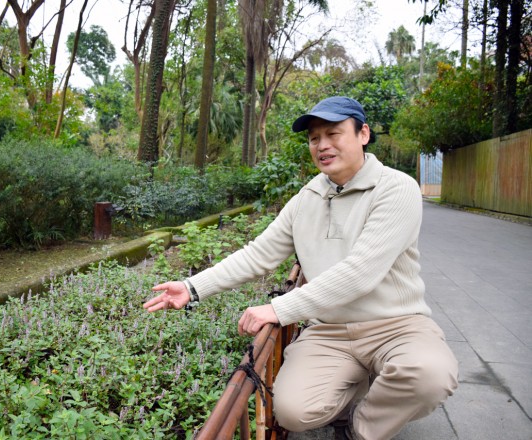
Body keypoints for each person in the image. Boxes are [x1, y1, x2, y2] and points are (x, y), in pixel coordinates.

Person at [143, 96, 459, 440]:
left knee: (431, 375)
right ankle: (357, 383)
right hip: (330, 330)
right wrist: (191, 288)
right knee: (293, 412)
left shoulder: (397, 188)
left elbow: (360, 272)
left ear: (363, 134)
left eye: (333, 134)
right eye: (313, 138)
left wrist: (278, 308)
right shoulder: (306, 198)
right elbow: (257, 254)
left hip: (395, 325)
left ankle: (360, 428)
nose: (322, 145)